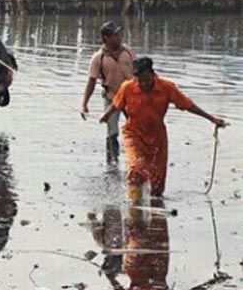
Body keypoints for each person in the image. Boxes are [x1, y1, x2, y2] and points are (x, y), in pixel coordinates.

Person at [99, 57, 228, 201]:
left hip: (157, 136)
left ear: (152, 73)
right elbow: (117, 104)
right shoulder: (128, 87)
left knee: (157, 185)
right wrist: (106, 116)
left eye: (145, 80)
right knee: (136, 170)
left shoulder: (167, 88)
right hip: (134, 134)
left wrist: (212, 119)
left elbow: (188, 105)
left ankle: (154, 211)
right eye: (139, 80)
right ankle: (134, 209)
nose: (142, 84)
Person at [82, 21, 136, 164]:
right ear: (106, 38)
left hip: (132, 98)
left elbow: (138, 73)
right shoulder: (98, 58)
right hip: (112, 97)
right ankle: (112, 161)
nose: (119, 38)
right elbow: (92, 81)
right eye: (115, 35)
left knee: (136, 128)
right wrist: (84, 104)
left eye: (119, 34)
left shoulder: (128, 52)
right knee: (112, 131)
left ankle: (137, 158)